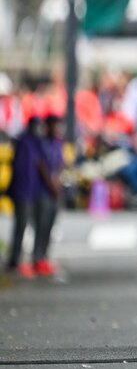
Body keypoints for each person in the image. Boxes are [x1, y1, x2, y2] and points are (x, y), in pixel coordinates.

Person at [6, 115, 62, 277]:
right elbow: (38, 165)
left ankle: (38, 259)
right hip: (28, 191)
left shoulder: (42, 142)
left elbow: (56, 163)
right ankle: (15, 261)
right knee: (24, 225)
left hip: (35, 191)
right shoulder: (26, 142)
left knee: (43, 226)